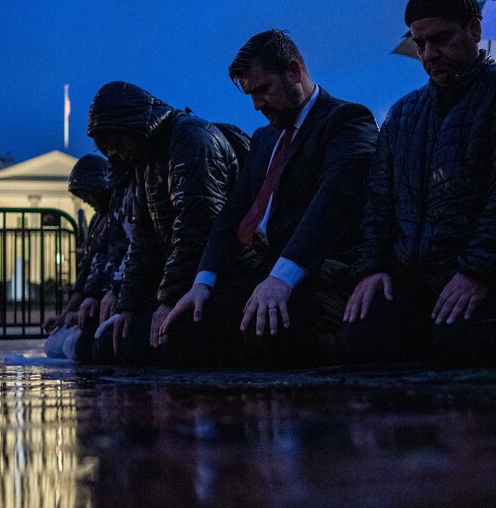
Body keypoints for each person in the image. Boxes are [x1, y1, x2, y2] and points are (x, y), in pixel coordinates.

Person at [340, 0, 496, 365]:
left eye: (441, 39)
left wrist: (477, 271)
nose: (429, 53)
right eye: (419, 43)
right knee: (360, 339)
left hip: (495, 276)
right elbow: (379, 202)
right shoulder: (405, 112)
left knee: (459, 338)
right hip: (415, 280)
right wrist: (371, 268)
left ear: (474, 31)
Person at [162, 29, 379, 367]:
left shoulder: (346, 121)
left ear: (294, 71)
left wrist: (282, 278)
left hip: (323, 270)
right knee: (181, 331)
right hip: (267, 269)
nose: (257, 104)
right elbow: (231, 215)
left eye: (263, 90)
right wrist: (203, 281)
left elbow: (333, 203)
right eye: (250, 94)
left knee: (269, 331)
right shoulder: (264, 139)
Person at [87, 81, 247, 365]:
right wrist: (129, 305)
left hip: (223, 277)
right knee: (112, 343)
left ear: (132, 125)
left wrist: (169, 298)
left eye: (117, 143)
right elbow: (144, 238)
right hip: (190, 279)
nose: (118, 154)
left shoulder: (191, 138)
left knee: (167, 342)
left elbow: (197, 226)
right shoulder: (146, 160)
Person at [42, 154, 127, 359]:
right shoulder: (97, 220)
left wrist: (99, 298)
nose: (86, 201)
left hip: (114, 300)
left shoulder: (121, 213)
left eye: (87, 194)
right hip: (97, 303)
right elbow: (87, 273)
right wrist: (65, 315)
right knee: (52, 346)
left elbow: (118, 263)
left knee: (71, 347)